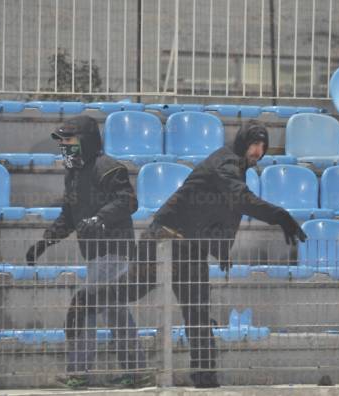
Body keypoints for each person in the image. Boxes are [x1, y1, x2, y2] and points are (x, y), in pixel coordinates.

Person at [117, 119, 307, 388]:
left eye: (263, 146)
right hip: (163, 241)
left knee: (198, 314)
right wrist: (279, 215)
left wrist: (220, 249)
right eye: (254, 144)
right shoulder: (225, 164)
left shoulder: (237, 167)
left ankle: (206, 380)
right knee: (125, 293)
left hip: (191, 248)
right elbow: (240, 199)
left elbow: (223, 212)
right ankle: (87, 303)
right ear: (243, 143)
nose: (258, 151)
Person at [25, 115, 148, 388]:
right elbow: (68, 218)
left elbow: (128, 200)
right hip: (96, 254)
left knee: (86, 308)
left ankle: (79, 372)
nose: (65, 145)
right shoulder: (73, 175)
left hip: (115, 250)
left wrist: (100, 218)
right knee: (114, 310)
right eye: (63, 141)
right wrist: (45, 242)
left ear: (86, 141)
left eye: (69, 139)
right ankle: (137, 371)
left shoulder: (108, 167)